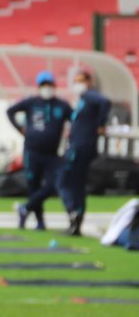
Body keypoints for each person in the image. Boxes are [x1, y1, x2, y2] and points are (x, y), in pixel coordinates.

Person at [6, 71, 72, 231]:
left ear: (54, 86)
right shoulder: (31, 102)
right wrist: (19, 128)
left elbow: (75, 119)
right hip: (32, 152)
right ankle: (39, 221)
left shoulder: (62, 105)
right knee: (33, 185)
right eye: (44, 85)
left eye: (49, 85)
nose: (47, 88)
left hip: (52, 154)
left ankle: (25, 208)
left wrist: (71, 134)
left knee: (54, 184)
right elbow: (10, 111)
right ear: (39, 87)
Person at [61, 69, 112, 236]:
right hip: (77, 146)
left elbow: (105, 102)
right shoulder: (83, 100)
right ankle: (75, 220)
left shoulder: (90, 96)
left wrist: (100, 124)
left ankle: (74, 215)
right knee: (75, 185)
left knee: (66, 182)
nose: (78, 84)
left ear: (89, 82)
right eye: (76, 81)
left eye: (81, 80)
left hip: (80, 147)